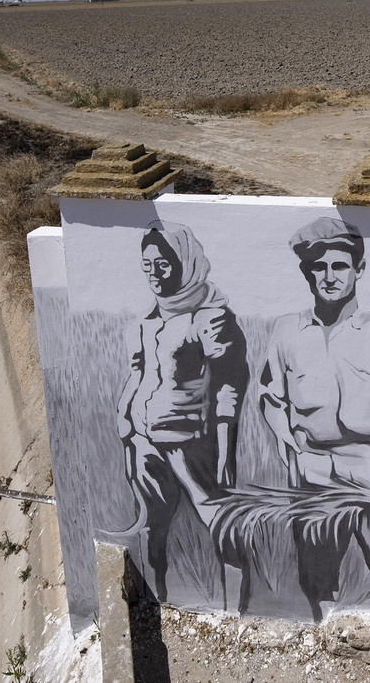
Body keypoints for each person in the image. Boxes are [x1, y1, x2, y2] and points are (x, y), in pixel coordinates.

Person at [258, 218, 370, 619]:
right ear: (307, 273)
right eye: (318, 267)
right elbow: (270, 397)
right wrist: (289, 450)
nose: (329, 276)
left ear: (359, 270)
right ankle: (329, 632)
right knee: (316, 577)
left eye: (339, 266)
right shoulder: (286, 332)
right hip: (313, 476)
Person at [117, 221, 248, 600]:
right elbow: (135, 374)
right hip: (143, 443)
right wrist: (125, 421)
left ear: (185, 262)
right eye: (147, 265)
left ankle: (235, 612)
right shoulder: (144, 323)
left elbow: (229, 383)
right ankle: (155, 601)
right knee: (150, 526)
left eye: (163, 263)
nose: (155, 274)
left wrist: (225, 447)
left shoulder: (211, 318)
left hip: (190, 443)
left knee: (220, 524)